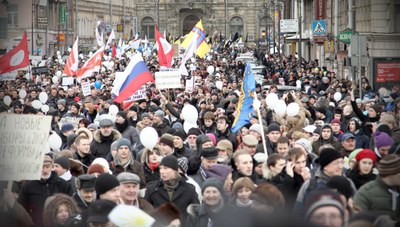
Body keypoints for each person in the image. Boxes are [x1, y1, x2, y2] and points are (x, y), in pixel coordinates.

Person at [18, 154, 73, 226]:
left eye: (47, 167)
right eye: (41, 167)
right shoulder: (28, 186)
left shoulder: (64, 185)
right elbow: (22, 210)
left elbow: (71, 208)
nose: (44, 170)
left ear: (52, 167)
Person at [145, 155, 199, 223]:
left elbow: (196, 213)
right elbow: (145, 212)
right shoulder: (152, 189)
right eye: (160, 168)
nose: (162, 171)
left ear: (175, 170)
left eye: (165, 168)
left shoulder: (189, 189)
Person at [353, 154, 400, 220]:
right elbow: (357, 221)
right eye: (364, 162)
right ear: (392, 173)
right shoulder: (366, 193)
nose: (367, 166)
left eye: (370, 163)